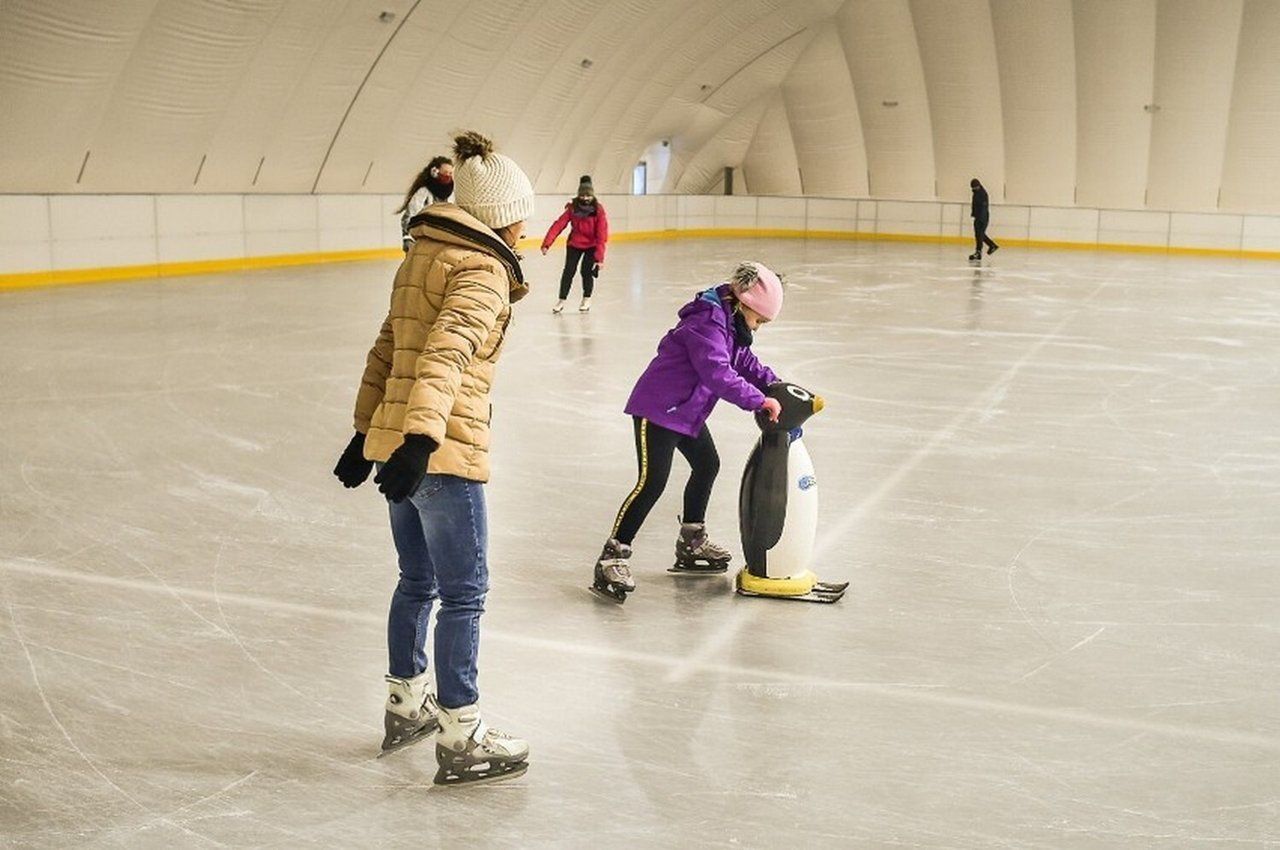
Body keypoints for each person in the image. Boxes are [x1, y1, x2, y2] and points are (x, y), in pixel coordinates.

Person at [332, 130, 532, 786]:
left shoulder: (424, 256)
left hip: (403, 447)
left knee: (417, 582)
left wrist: (369, 436)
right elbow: (446, 354)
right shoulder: (482, 269)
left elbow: (387, 349)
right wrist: (420, 440)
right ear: (501, 214)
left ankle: (404, 707)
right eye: (522, 214)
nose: (528, 227)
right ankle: (462, 735)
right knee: (465, 594)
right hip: (439, 450)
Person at [590, 262, 785, 603]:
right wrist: (758, 400)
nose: (758, 327)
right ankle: (613, 555)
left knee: (707, 464)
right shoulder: (706, 323)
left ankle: (691, 541)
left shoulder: (728, 323)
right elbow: (718, 374)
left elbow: (742, 360)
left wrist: (774, 383)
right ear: (745, 304)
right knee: (652, 482)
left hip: (686, 412)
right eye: (759, 320)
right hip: (659, 409)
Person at [540, 175, 609, 314]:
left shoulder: (598, 211)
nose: (585, 198)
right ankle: (561, 300)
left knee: (586, 272)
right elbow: (559, 224)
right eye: (582, 195)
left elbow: (602, 235)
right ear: (579, 195)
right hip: (574, 244)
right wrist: (547, 243)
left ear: (592, 195)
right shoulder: (572, 208)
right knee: (568, 272)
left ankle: (586, 298)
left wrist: (599, 259)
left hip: (592, 245)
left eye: (588, 195)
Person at [397, 156, 454, 251]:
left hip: (445, 240)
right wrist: (407, 237)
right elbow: (411, 214)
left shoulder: (453, 193)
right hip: (425, 239)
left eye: (450, 173)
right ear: (434, 172)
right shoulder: (424, 192)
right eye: (445, 172)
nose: (447, 176)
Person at [969, 178, 999, 261]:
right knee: (979, 234)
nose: (974, 188)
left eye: (975, 187)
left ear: (978, 185)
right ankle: (992, 246)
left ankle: (979, 252)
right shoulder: (976, 193)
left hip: (982, 217)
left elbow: (983, 207)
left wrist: (981, 219)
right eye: (973, 187)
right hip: (978, 216)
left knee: (979, 234)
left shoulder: (982, 194)